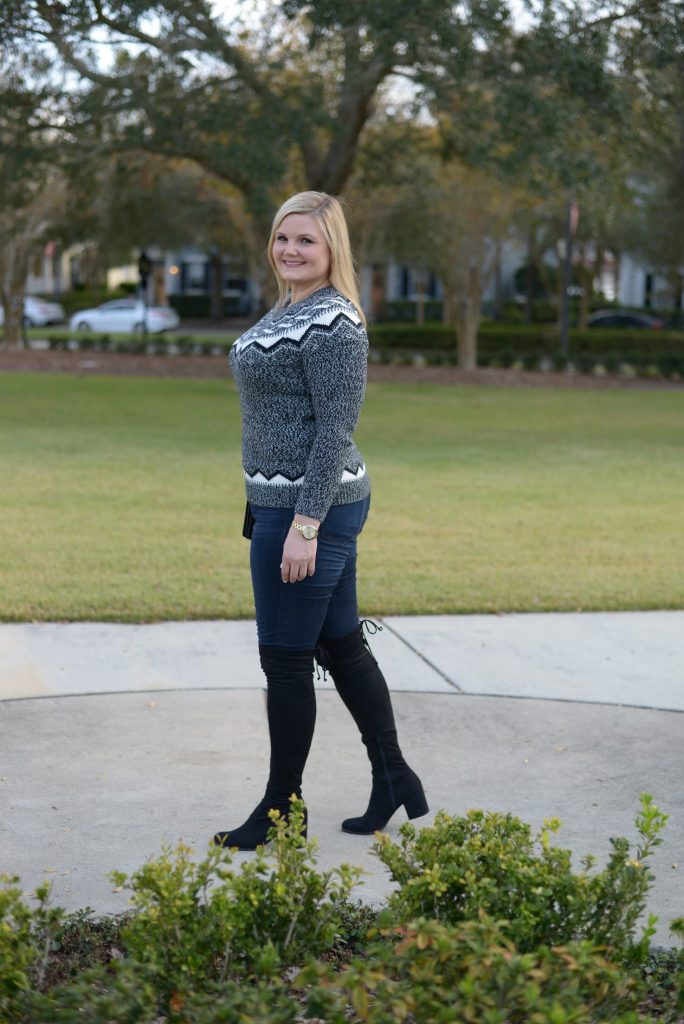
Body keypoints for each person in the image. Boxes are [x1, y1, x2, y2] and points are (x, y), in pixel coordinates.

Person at [214, 191, 428, 850]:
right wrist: (264, 506)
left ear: (332, 248)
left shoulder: (333, 320)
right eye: (282, 238)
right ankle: (394, 779)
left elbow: (336, 426)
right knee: (338, 644)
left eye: (305, 241)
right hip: (285, 503)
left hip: (316, 506)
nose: (290, 250)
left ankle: (282, 810)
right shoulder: (289, 309)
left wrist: (305, 524)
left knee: (285, 661)